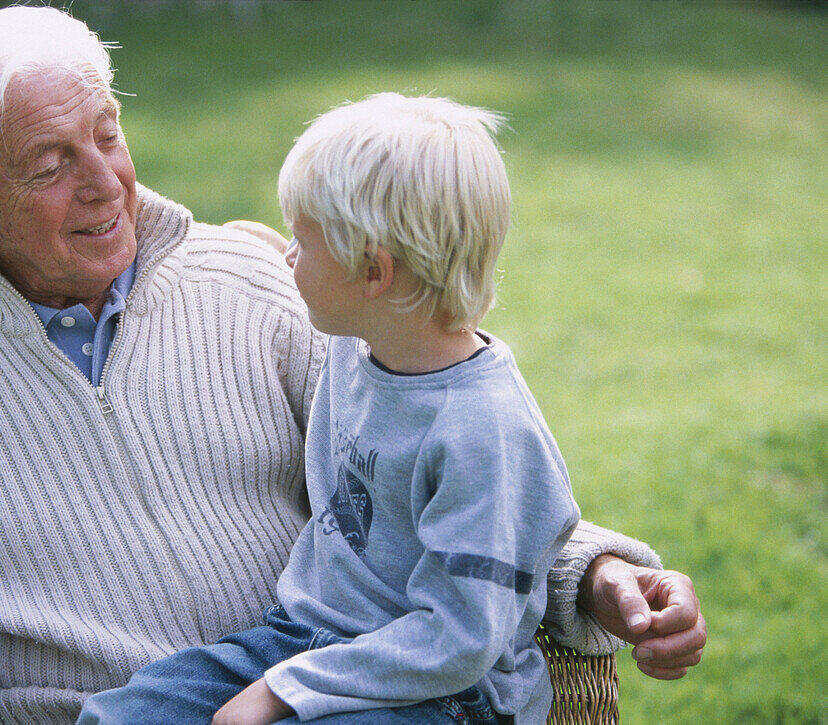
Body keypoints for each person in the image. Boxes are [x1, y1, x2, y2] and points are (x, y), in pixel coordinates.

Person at [0, 7, 704, 725]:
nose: (104, 179)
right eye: (49, 162)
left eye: (107, 133)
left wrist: (594, 573)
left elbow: (430, 466)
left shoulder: (261, 285)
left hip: (333, 688)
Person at [79, 93, 578, 725]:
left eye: (300, 242)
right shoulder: (365, 335)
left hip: (437, 690)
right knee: (122, 716)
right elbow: (309, 272)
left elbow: (460, 641)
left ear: (373, 271)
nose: (287, 257)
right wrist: (257, 242)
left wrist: (280, 692)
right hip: (302, 638)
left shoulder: (481, 430)